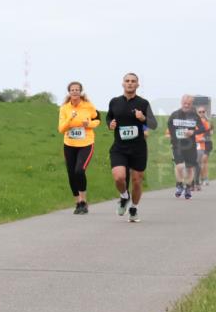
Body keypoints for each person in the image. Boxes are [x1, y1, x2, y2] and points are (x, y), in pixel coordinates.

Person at [105, 74, 157, 222]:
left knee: (136, 180)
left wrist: (143, 118)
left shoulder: (143, 103)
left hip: (138, 149)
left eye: (133, 81)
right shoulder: (114, 102)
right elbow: (108, 117)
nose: (130, 84)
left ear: (137, 85)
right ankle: (124, 196)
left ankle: (134, 208)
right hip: (119, 148)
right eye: (127, 81)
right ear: (122, 84)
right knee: (119, 177)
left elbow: (153, 124)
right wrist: (110, 124)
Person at [58, 81, 100, 214]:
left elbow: (97, 120)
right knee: (71, 174)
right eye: (72, 90)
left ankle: (83, 201)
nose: (75, 92)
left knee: (79, 171)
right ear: (69, 92)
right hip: (69, 144)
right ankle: (77, 203)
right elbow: (61, 129)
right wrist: (70, 119)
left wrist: (89, 124)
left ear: (80, 92)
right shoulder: (64, 108)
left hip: (86, 143)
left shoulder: (88, 106)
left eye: (77, 89)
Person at [167, 94, 203, 199]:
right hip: (177, 145)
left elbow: (201, 128)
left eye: (189, 104)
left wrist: (193, 132)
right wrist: (174, 138)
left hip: (191, 145)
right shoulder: (175, 114)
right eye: (185, 103)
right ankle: (179, 184)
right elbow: (169, 126)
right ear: (181, 102)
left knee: (190, 167)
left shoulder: (194, 115)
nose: (186, 105)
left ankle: (187, 187)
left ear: (191, 104)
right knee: (179, 166)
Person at [196, 105, 212, 187]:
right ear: (197, 113)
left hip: (207, 144)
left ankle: (205, 178)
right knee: (199, 162)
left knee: (204, 160)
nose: (201, 113)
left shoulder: (207, 122)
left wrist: (204, 138)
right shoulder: (194, 122)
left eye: (203, 112)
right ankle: (200, 178)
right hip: (197, 144)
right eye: (200, 112)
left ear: (205, 112)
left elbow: (210, 134)